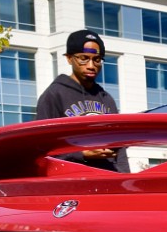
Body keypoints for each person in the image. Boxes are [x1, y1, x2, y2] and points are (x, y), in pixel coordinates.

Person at [36, 29, 127, 171]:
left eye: (96, 60)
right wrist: (81, 154)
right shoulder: (54, 95)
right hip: (71, 184)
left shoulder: (107, 99)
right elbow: (41, 149)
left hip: (107, 182)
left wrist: (125, 180)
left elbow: (120, 151)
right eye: (83, 58)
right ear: (69, 58)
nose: (91, 65)